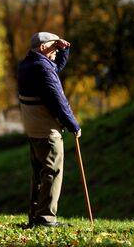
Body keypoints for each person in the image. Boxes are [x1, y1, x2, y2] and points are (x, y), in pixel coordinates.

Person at [17, 32, 82, 228]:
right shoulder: (42, 69)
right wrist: (73, 125)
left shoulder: (27, 65)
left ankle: (35, 216)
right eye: (54, 48)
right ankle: (46, 218)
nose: (56, 52)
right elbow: (58, 101)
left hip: (33, 128)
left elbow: (55, 68)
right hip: (47, 130)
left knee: (39, 173)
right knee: (52, 172)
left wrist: (64, 50)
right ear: (44, 47)